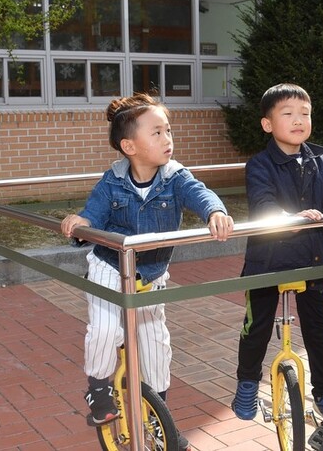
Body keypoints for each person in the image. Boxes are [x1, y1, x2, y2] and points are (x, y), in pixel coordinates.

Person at [61, 92, 234, 451]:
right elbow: (92, 212)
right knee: (105, 330)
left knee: (157, 349)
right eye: (156, 133)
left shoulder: (175, 177)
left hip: (152, 273)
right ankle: (98, 389)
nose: (167, 139)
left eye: (168, 130)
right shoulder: (112, 182)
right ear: (129, 146)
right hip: (111, 266)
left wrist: (215, 212)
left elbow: (201, 194)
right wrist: (82, 221)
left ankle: (159, 419)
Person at [231, 83, 323, 426]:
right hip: (267, 261)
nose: (299, 120)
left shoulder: (321, 159)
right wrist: (286, 220)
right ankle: (246, 384)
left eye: (305, 113)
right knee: (256, 326)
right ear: (268, 124)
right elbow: (263, 203)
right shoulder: (259, 165)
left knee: (319, 329)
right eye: (288, 114)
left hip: (313, 258)